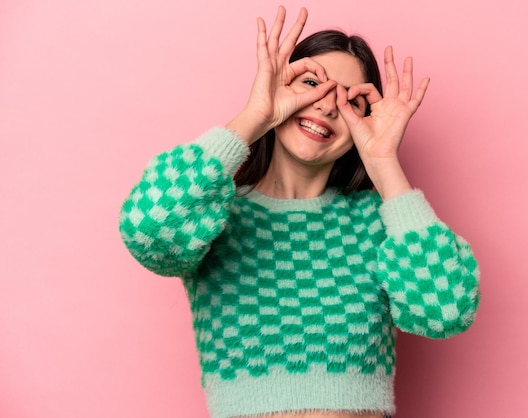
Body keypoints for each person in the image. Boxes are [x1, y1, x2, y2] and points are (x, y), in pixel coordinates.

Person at [119, 6, 480, 418]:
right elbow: (147, 229)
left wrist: (383, 162)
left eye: (349, 101)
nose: (326, 106)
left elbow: (446, 311)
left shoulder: (377, 222)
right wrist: (255, 116)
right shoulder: (217, 215)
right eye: (312, 84)